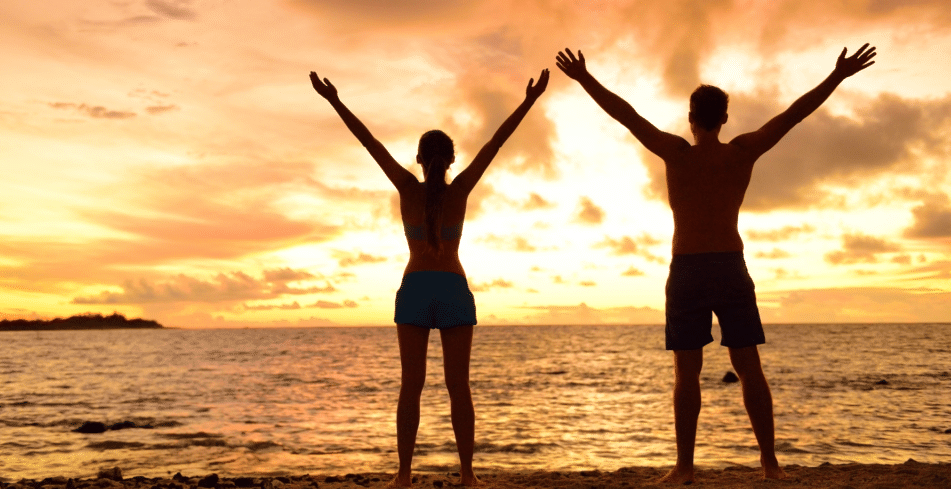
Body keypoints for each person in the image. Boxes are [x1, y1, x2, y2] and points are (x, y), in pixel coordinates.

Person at [555, 44, 877, 483]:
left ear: (690, 117)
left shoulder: (676, 152)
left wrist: (584, 78)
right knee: (748, 367)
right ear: (723, 119)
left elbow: (626, 115)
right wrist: (836, 76)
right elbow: (793, 114)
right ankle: (769, 463)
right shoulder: (740, 152)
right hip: (728, 265)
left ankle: (685, 468)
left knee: (687, 374)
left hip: (687, 267)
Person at [311, 68, 550, 486]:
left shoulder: (406, 187)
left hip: (417, 289)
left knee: (411, 387)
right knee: (460, 387)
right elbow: (496, 143)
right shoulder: (459, 191)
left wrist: (334, 100)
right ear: (452, 160)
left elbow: (369, 143)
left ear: (419, 160)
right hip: (453, 289)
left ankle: (403, 475)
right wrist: (529, 101)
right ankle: (468, 476)